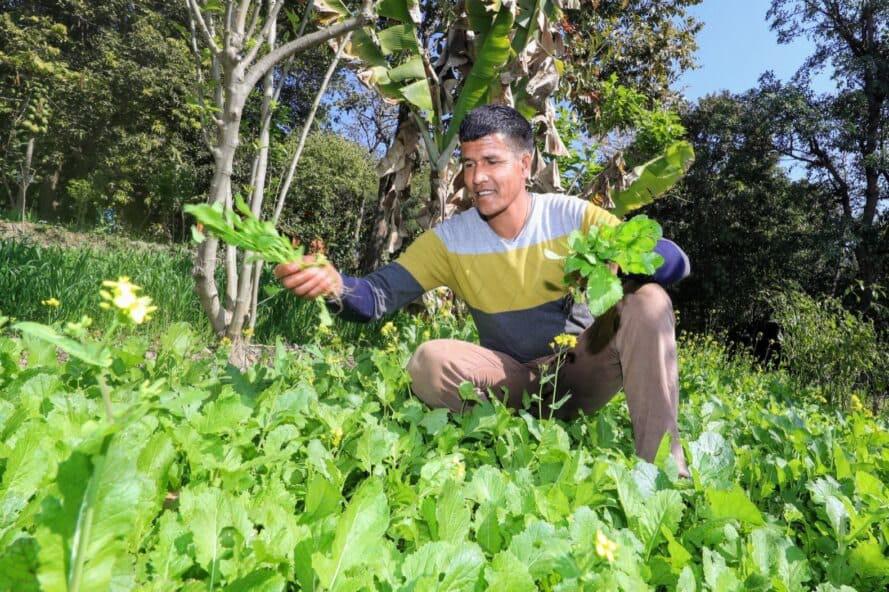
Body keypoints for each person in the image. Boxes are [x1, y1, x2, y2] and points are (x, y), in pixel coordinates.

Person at [275, 105, 690, 473]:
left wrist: (626, 258)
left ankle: (663, 473)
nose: (478, 178)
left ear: (525, 164)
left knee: (650, 300)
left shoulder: (568, 216)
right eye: (469, 164)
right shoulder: (451, 240)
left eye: (492, 161)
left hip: (580, 370)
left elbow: (675, 262)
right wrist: (333, 286)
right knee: (428, 360)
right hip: (510, 378)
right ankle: (499, 432)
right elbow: (375, 297)